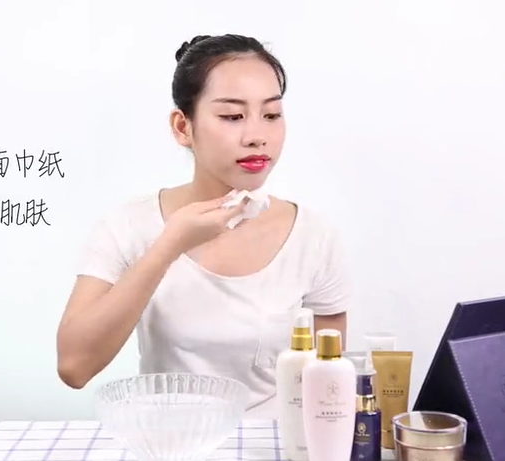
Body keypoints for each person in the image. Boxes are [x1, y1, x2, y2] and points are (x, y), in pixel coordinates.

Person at [56, 34, 352, 418]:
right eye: (232, 116)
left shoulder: (313, 235)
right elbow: (74, 366)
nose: (257, 136)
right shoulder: (128, 224)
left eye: (271, 115)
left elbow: (328, 390)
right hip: (171, 437)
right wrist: (169, 245)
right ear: (183, 127)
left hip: (275, 441)